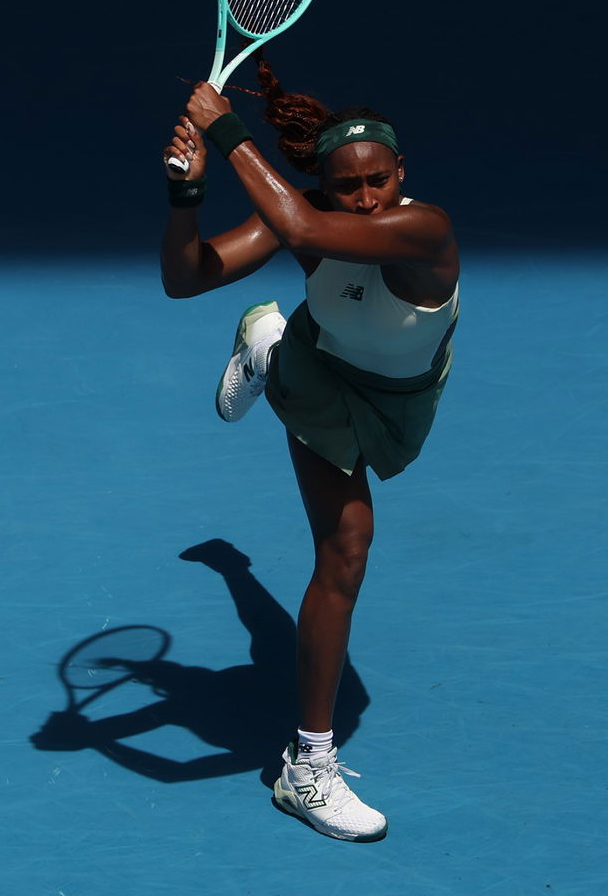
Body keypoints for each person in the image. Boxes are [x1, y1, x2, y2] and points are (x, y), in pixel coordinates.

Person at [158, 57, 459, 843]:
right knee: (348, 547)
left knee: (315, 577)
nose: (366, 197)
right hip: (325, 379)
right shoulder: (307, 215)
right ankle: (307, 769)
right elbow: (184, 280)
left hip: (397, 397)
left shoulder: (422, 229)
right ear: (326, 182)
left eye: (378, 181)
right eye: (348, 185)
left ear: (403, 174)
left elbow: (299, 225)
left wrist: (224, 129)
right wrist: (186, 195)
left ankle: (267, 341)